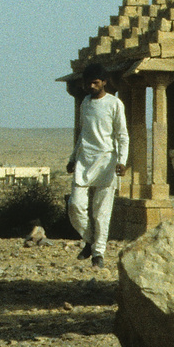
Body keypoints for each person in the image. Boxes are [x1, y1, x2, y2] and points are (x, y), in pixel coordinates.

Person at [65, 65, 128, 270]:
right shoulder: (85, 102)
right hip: (85, 160)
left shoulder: (114, 104)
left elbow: (122, 136)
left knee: (101, 212)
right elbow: (83, 133)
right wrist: (73, 157)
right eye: (88, 83)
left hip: (106, 162)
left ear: (104, 82)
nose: (91, 86)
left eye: (95, 82)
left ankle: (98, 253)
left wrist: (122, 161)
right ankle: (90, 240)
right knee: (75, 205)